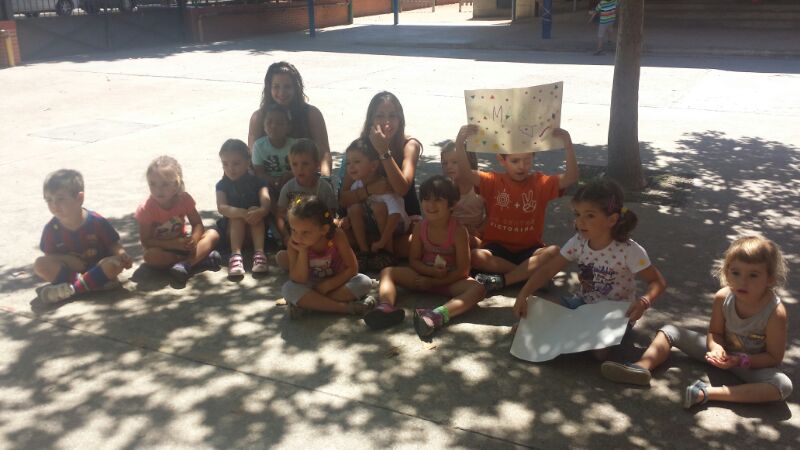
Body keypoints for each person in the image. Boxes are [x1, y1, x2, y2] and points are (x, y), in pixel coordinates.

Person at [601, 236, 792, 409]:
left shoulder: (775, 312)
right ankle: (641, 367)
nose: (743, 282)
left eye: (753, 275)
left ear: (770, 279)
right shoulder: (723, 297)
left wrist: (740, 361)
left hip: (750, 364)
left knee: (782, 385)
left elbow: (774, 357)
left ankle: (706, 392)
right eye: (736, 273)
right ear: (726, 272)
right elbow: (715, 333)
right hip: (723, 354)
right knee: (670, 330)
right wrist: (716, 349)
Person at [513, 179, 666, 358]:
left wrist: (643, 302)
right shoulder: (578, 242)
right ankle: (571, 330)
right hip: (582, 303)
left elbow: (657, 281)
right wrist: (523, 294)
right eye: (577, 214)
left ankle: (570, 332)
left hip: (615, 313)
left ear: (612, 219)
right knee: (536, 309)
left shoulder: (629, 250)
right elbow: (547, 270)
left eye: (590, 215)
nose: (580, 222)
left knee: (599, 353)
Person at [453, 125, 578, 293]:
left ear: (533, 158)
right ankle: (526, 276)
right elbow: (466, 173)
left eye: (527, 160)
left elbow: (571, 177)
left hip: (530, 250)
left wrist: (568, 146)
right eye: (515, 161)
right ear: (501, 160)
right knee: (475, 256)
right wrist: (459, 144)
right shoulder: (492, 181)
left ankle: (503, 280)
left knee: (554, 252)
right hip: (497, 249)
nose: (522, 166)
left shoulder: (540, 183)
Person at [368, 175, 485, 338]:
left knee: (478, 289)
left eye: (438, 200)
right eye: (426, 199)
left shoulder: (459, 232)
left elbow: (463, 270)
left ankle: (437, 315)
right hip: (421, 278)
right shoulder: (419, 228)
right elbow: (414, 260)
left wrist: (435, 281)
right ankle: (386, 307)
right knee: (387, 272)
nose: (430, 205)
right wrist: (428, 275)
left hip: (449, 281)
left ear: (452, 204)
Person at [339, 91, 423, 260]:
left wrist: (383, 152)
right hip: (367, 220)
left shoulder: (409, 145)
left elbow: (402, 189)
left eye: (392, 116)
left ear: (400, 119)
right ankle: (371, 249)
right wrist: (368, 190)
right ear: (371, 120)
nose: (386, 122)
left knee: (413, 245)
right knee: (339, 233)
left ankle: (380, 249)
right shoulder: (360, 148)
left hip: (399, 221)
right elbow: (343, 199)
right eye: (379, 116)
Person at [34, 169, 133, 303]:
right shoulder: (51, 229)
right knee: (40, 264)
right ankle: (92, 285)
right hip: (70, 273)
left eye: (60, 199)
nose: (54, 205)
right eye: (49, 200)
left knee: (114, 264)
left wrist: (122, 254)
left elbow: (113, 244)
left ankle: (72, 289)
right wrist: (67, 259)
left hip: (98, 268)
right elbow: (50, 257)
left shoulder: (96, 221)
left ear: (79, 198)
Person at [282, 195, 376, 319]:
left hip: (337, 283)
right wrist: (303, 252)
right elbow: (298, 280)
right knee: (288, 289)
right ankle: (346, 308)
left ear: (324, 229)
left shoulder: (337, 236)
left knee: (364, 282)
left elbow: (352, 268)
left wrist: (328, 285)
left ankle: (310, 305)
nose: (298, 237)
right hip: (311, 285)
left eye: (305, 232)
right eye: (294, 230)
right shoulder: (294, 244)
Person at [135, 156, 221, 282]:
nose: (158, 190)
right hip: (162, 249)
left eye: (164, 184)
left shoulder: (184, 199)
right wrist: (172, 244)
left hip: (183, 244)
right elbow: (146, 241)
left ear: (176, 184)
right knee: (150, 256)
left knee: (213, 234)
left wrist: (194, 240)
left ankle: (186, 264)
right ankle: (197, 261)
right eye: (152, 184)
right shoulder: (146, 208)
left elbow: (197, 224)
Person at [248, 61, 332, 176]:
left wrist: (325, 178)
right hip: (267, 181)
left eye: (287, 87)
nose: (282, 92)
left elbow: (324, 154)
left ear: (296, 88)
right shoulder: (258, 117)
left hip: (304, 179)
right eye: (276, 87)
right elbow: (251, 159)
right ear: (269, 88)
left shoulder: (312, 114)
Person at [343, 138, 410, 269]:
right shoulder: (357, 185)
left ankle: (388, 253)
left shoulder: (384, 186)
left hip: (396, 225)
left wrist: (382, 242)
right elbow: (348, 205)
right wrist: (347, 219)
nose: (351, 166)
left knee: (379, 208)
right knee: (354, 208)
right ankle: (364, 252)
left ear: (373, 166)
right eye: (348, 163)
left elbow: (395, 215)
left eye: (356, 162)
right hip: (374, 222)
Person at [274, 139, 339, 270]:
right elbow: (280, 214)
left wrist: (325, 232)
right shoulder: (288, 188)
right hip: (296, 235)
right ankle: (313, 264)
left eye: (305, 164)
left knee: (338, 234)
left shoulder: (324, 188)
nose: (300, 169)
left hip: (318, 235)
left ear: (317, 165)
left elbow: (330, 214)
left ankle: (315, 262)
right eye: (295, 164)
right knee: (281, 257)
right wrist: (285, 235)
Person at [216, 139, 271, 276]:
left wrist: (260, 211)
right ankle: (235, 256)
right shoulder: (222, 185)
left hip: (256, 233)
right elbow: (221, 207)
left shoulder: (259, 182)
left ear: (247, 162)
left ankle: (259, 254)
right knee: (236, 216)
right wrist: (241, 213)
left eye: (236, 163)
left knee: (254, 210)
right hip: (232, 233)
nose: (230, 168)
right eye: (225, 164)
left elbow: (266, 202)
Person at [440, 139, 485, 248]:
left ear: (469, 162)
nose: (448, 166)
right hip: (449, 232)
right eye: (445, 163)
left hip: (475, 234)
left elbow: (491, 217)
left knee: (474, 247)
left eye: (455, 162)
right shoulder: (442, 188)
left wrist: (479, 231)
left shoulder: (481, 186)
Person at [252, 103, 296, 203]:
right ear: (264, 126)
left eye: (280, 123)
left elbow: (303, 165)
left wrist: (290, 175)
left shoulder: (295, 145)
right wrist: (274, 181)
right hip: (269, 183)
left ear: (288, 127)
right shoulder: (258, 146)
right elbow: (259, 172)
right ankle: (274, 211)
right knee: (265, 193)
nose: (274, 126)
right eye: (269, 122)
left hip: (292, 180)